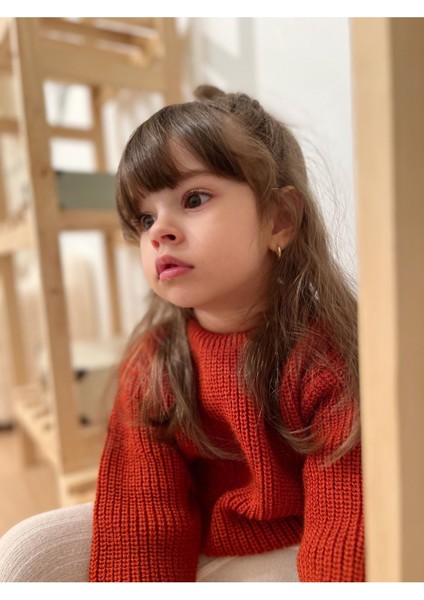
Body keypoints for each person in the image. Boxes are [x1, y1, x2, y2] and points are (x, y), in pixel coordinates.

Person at [0, 85, 364, 583]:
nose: (158, 232)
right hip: (204, 544)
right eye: (145, 218)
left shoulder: (322, 355)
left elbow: (348, 525)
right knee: (23, 555)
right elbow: (141, 522)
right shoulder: (154, 367)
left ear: (279, 219)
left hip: (310, 546)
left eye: (194, 199)